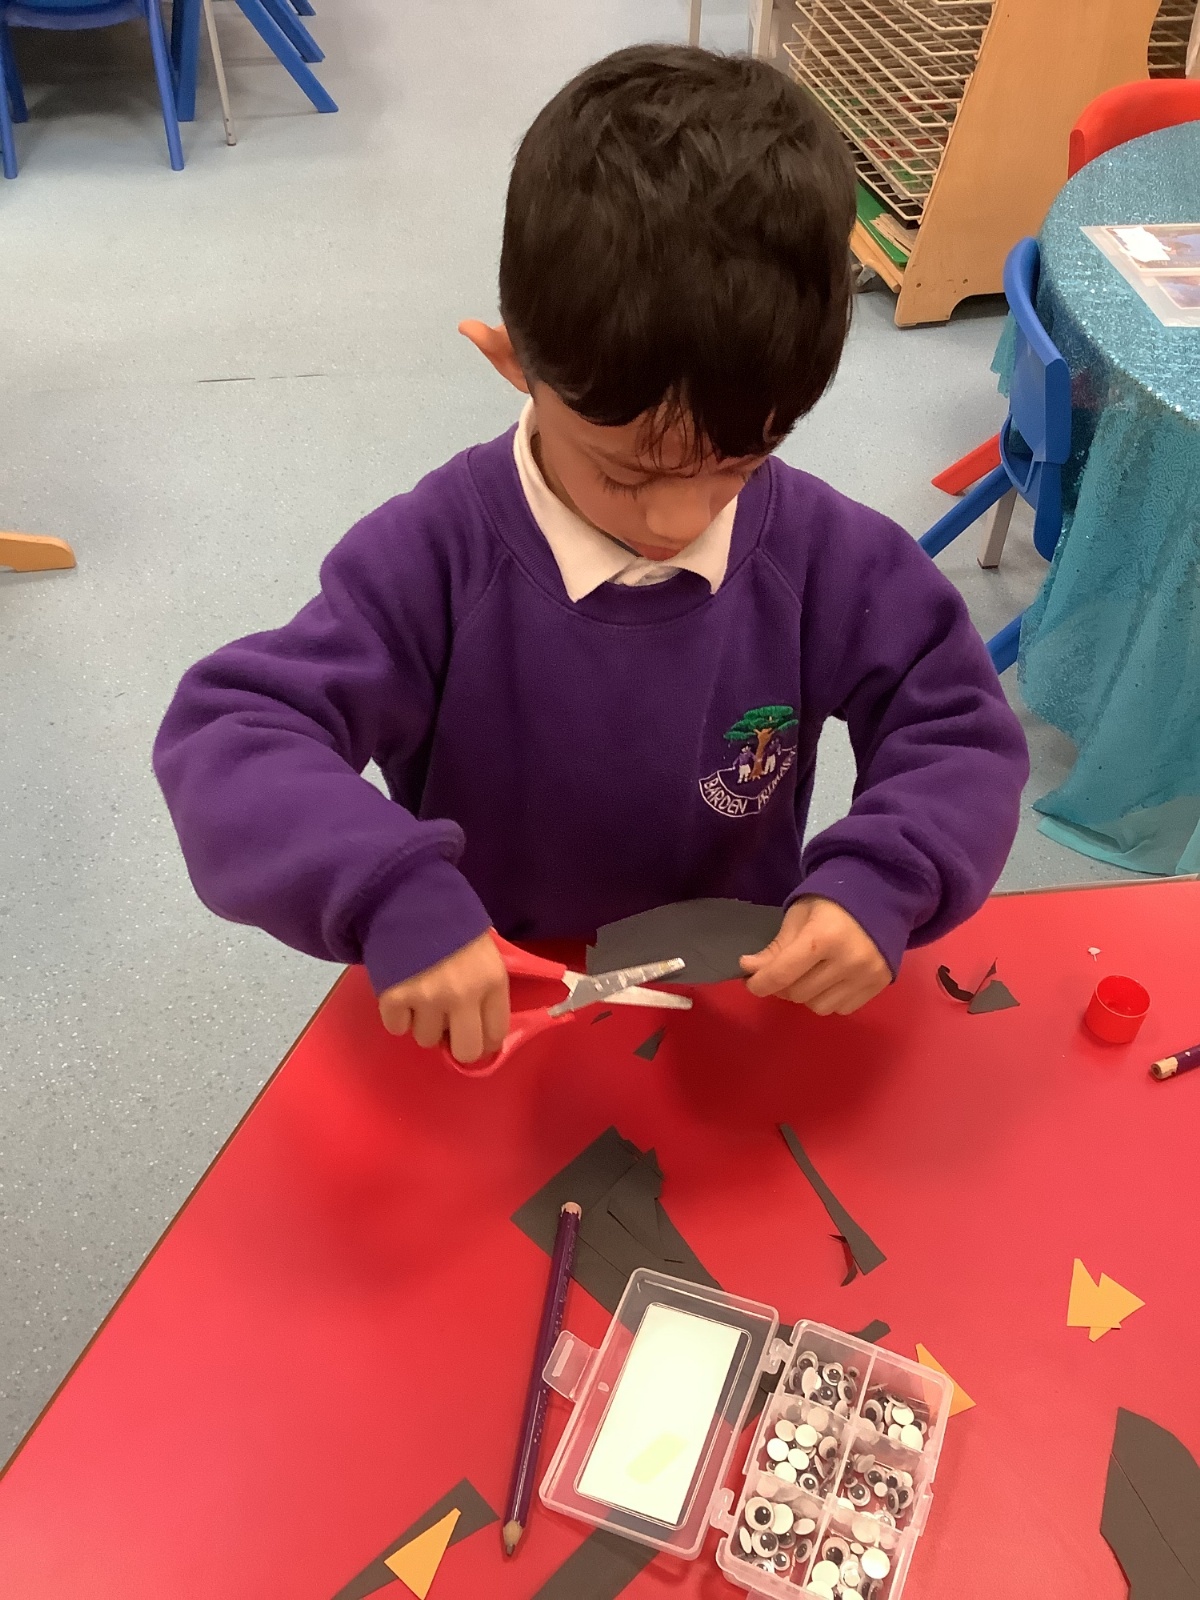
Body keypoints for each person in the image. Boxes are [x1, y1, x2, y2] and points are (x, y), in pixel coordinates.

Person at [154, 45, 1028, 1066]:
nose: (681, 516)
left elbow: (956, 727)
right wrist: (389, 888)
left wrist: (885, 877)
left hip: (728, 1010)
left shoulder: (824, 554)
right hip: (498, 1008)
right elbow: (231, 733)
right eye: (626, 472)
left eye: (739, 464)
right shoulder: (433, 557)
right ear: (513, 364)